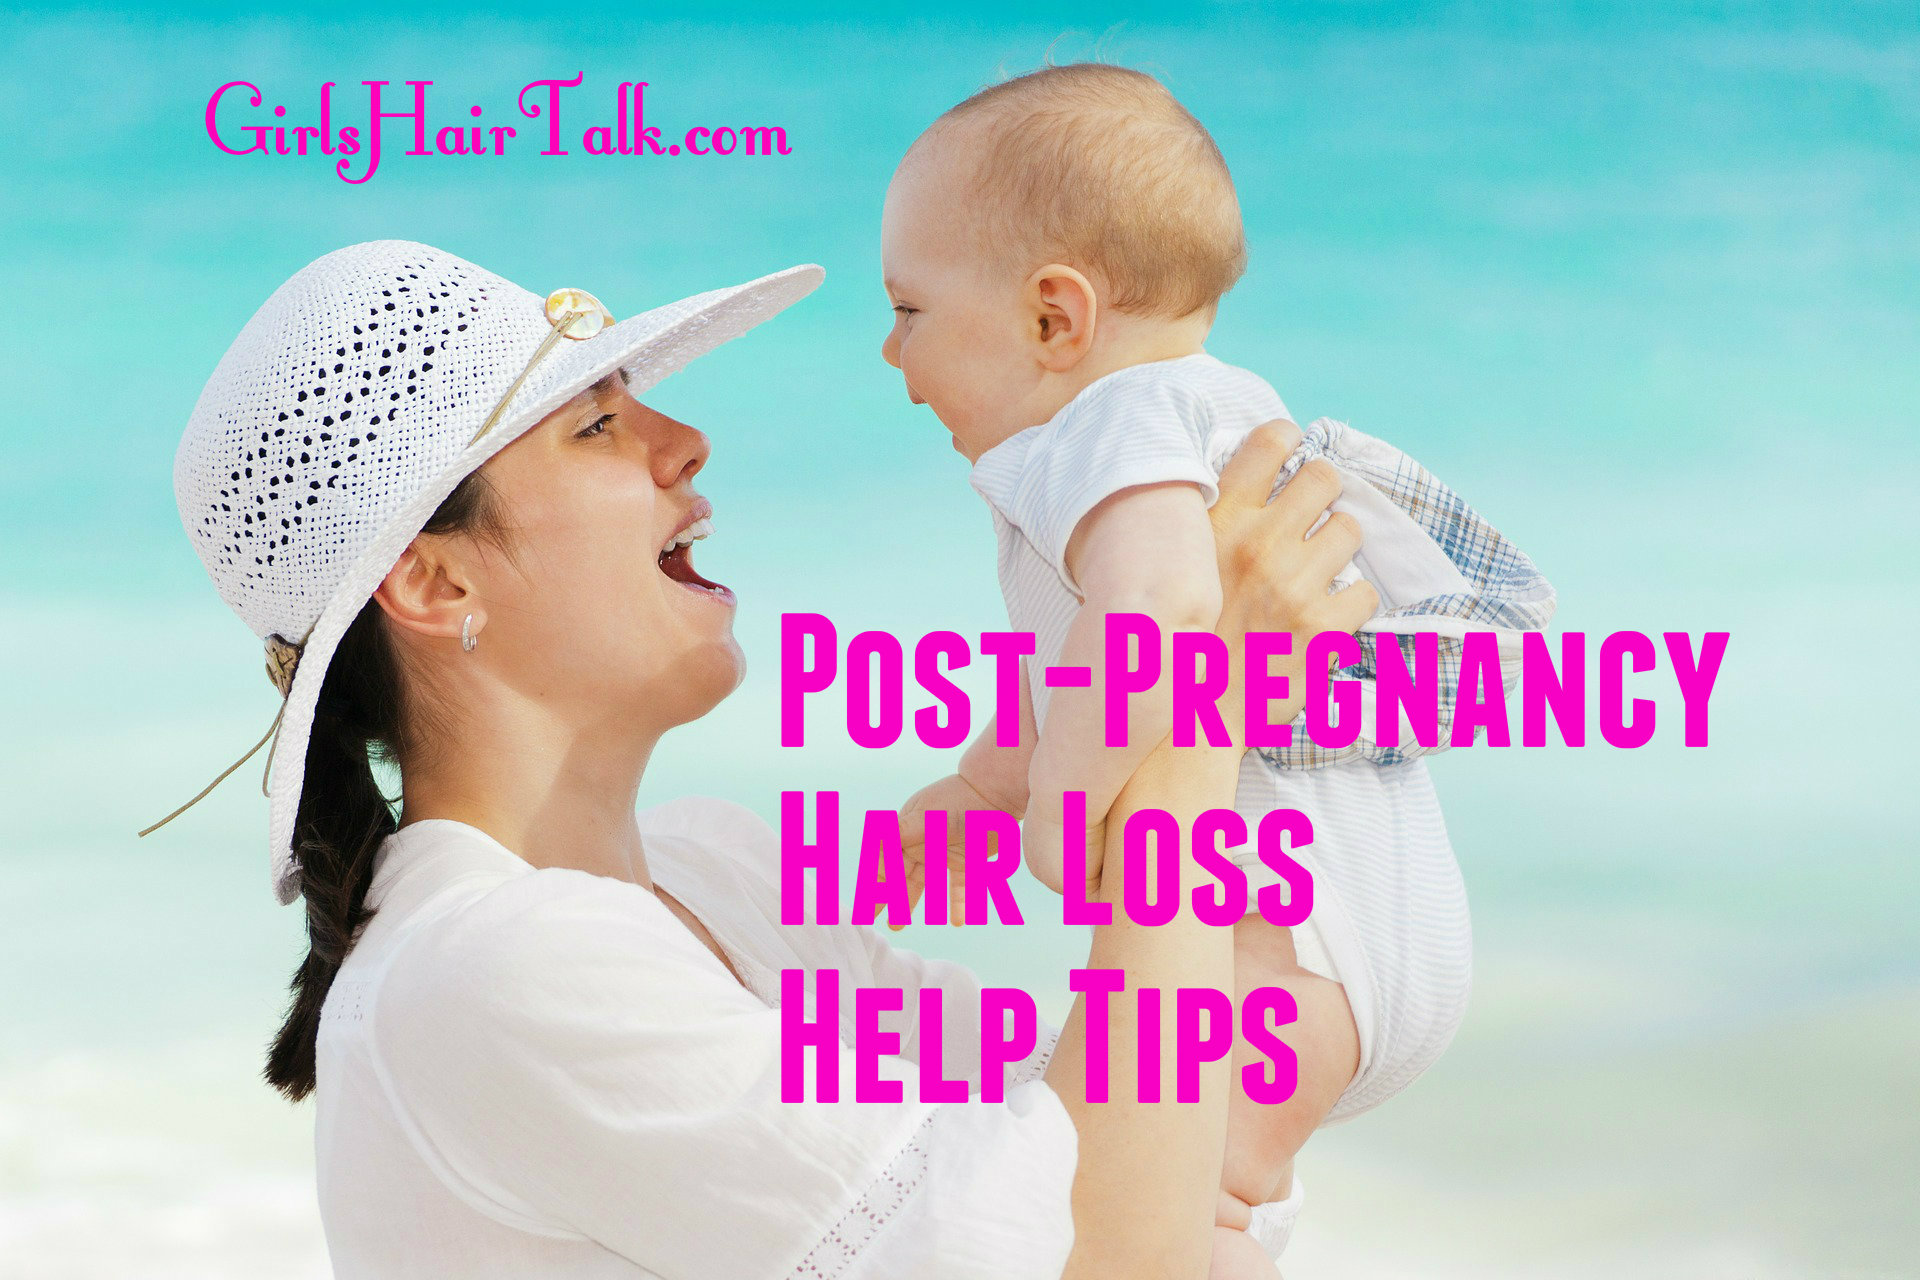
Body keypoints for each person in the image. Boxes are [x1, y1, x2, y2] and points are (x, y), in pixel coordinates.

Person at [144, 238, 1377, 1279]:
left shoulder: (718, 873)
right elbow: (1111, 1244)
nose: (686, 442)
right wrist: (1190, 692)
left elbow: (1160, 1151)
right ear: (435, 576)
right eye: (598, 424)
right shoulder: (490, 969)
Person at [877, 64, 1557, 1272]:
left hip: (1281, 940)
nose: (890, 352)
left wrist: (1062, 810)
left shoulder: (1108, 426)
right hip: (1358, 937)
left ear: (1054, 318)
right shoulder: (1214, 411)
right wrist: (984, 789)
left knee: (1118, 1195)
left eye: (913, 309)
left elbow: (1164, 608)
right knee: (1206, 1201)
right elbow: (1078, 659)